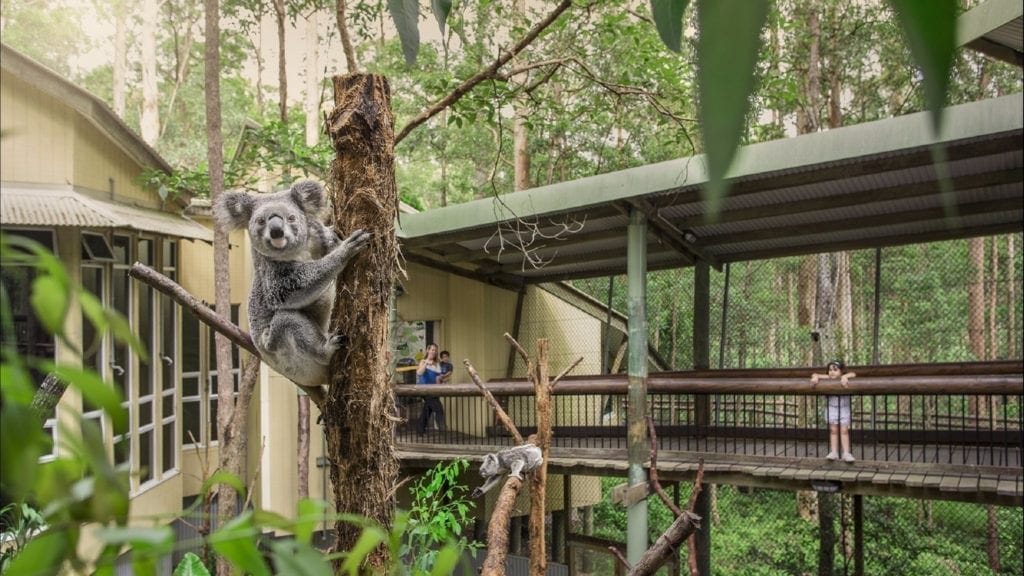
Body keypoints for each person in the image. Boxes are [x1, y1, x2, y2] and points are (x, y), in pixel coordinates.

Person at [811, 360, 858, 462]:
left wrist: (845, 377)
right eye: (830, 370)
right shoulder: (828, 378)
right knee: (833, 430)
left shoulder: (844, 377)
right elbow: (815, 374)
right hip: (831, 408)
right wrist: (815, 377)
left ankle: (846, 453)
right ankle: (834, 452)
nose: (832, 372)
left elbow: (853, 374)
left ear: (841, 371)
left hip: (844, 408)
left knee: (844, 430)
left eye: (835, 370)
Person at [416, 343, 446, 435]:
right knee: (438, 409)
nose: (434, 352)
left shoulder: (437, 364)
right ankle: (443, 430)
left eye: (435, 350)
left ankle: (420, 430)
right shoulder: (423, 361)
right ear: (428, 350)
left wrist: (442, 379)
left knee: (428, 410)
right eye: (432, 350)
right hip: (425, 390)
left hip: (434, 390)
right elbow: (419, 373)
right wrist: (426, 363)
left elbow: (439, 378)